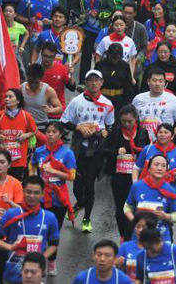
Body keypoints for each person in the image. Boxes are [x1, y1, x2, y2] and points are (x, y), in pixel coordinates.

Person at [61, 70, 116, 232]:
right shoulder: (76, 102)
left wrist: (105, 132)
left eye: (96, 80)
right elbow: (64, 121)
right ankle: (80, 202)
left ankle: (87, 218)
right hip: (79, 147)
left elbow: (110, 125)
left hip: (96, 148)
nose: (93, 83)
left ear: (102, 82)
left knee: (90, 184)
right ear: (86, 83)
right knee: (77, 185)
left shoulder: (107, 104)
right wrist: (78, 127)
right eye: (90, 80)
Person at [0, 176, 60, 284]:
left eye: (36, 193)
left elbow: (54, 244)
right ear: (23, 192)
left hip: (36, 274)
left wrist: (41, 258)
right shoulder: (11, 214)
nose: (32, 196)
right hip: (12, 273)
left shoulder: (50, 217)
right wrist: (11, 247)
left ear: (42, 194)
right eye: (28, 192)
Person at [101, 104, 151, 240]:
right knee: (121, 206)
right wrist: (116, 151)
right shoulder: (116, 133)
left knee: (134, 206)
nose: (127, 124)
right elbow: (102, 150)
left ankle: (132, 235)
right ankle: (123, 235)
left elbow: (148, 152)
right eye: (124, 121)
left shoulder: (142, 133)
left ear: (136, 119)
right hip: (119, 176)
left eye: (130, 121)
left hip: (136, 177)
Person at [124, 154, 176, 242]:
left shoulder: (170, 191)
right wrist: (136, 222)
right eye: (156, 164)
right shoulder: (137, 186)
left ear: (166, 170)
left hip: (161, 238)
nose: (159, 168)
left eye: (163, 166)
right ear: (149, 168)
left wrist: (165, 216)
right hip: (139, 237)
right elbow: (127, 207)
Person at [0, 88, 37, 180]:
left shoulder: (26, 116)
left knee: (16, 185)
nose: (6, 99)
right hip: (1, 160)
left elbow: (34, 130)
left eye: (10, 97)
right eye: (6, 97)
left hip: (19, 159)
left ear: (18, 100)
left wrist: (25, 135)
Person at [131, 69, 176, 142]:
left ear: (164, 82)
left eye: (160, 81)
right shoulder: (138, 99)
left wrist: (173, 135)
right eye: (154, 80)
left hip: (163, 142)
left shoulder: (172, 99)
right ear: (148, 81)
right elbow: (132, 119)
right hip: (141, 141)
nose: (157, 84)